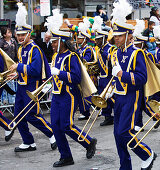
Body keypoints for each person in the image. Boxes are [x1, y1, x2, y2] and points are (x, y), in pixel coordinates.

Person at [47, 13, 97, 166]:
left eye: (55, 42)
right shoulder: (56, 56)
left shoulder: (72, 56)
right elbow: (56, 75)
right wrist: (50, 84)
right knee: (55, 126)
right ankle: (66, 156)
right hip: (56, 95)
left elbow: (75, 78)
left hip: (69, 94)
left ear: (62, 41)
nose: (53, 45)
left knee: (66, 125)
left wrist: (60, 74)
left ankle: (88, 142)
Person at [8, 2, 56, 152]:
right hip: (22, 86)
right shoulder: (21, 49)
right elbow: (24, 69)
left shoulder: (35, 49)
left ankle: (53, 134)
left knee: (32, 115)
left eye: (23, 35)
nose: (20, 37)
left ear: (29, 34)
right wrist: (16, 74)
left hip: (33, 86)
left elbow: (35, 70)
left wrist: (19, 67)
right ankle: (28, 142)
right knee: (18, 116)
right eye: (18, 34)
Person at [111, 20, 157, 170]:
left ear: (129, 36)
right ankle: (125, 166)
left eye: (119, 36)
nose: (115, 38)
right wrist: (111, 89)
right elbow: (116, 76)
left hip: (132, 96)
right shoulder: (116, 52)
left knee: (124, 132)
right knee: (117, 135)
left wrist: (121, 74)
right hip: (118, 97)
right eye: (115, 36)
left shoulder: (137, 53)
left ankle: (147, 154)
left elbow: (141, 78)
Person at [95, 29, 115, 126]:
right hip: (102, 77)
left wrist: (104, 53)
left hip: (109, 77)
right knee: (102, 97)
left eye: (98, 39)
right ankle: (107, 116)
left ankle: (118, 114)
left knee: (111, 97)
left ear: (103, 39)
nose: (96, 41)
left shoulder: (111, 48)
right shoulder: (98, 50)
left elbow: (113, 60)